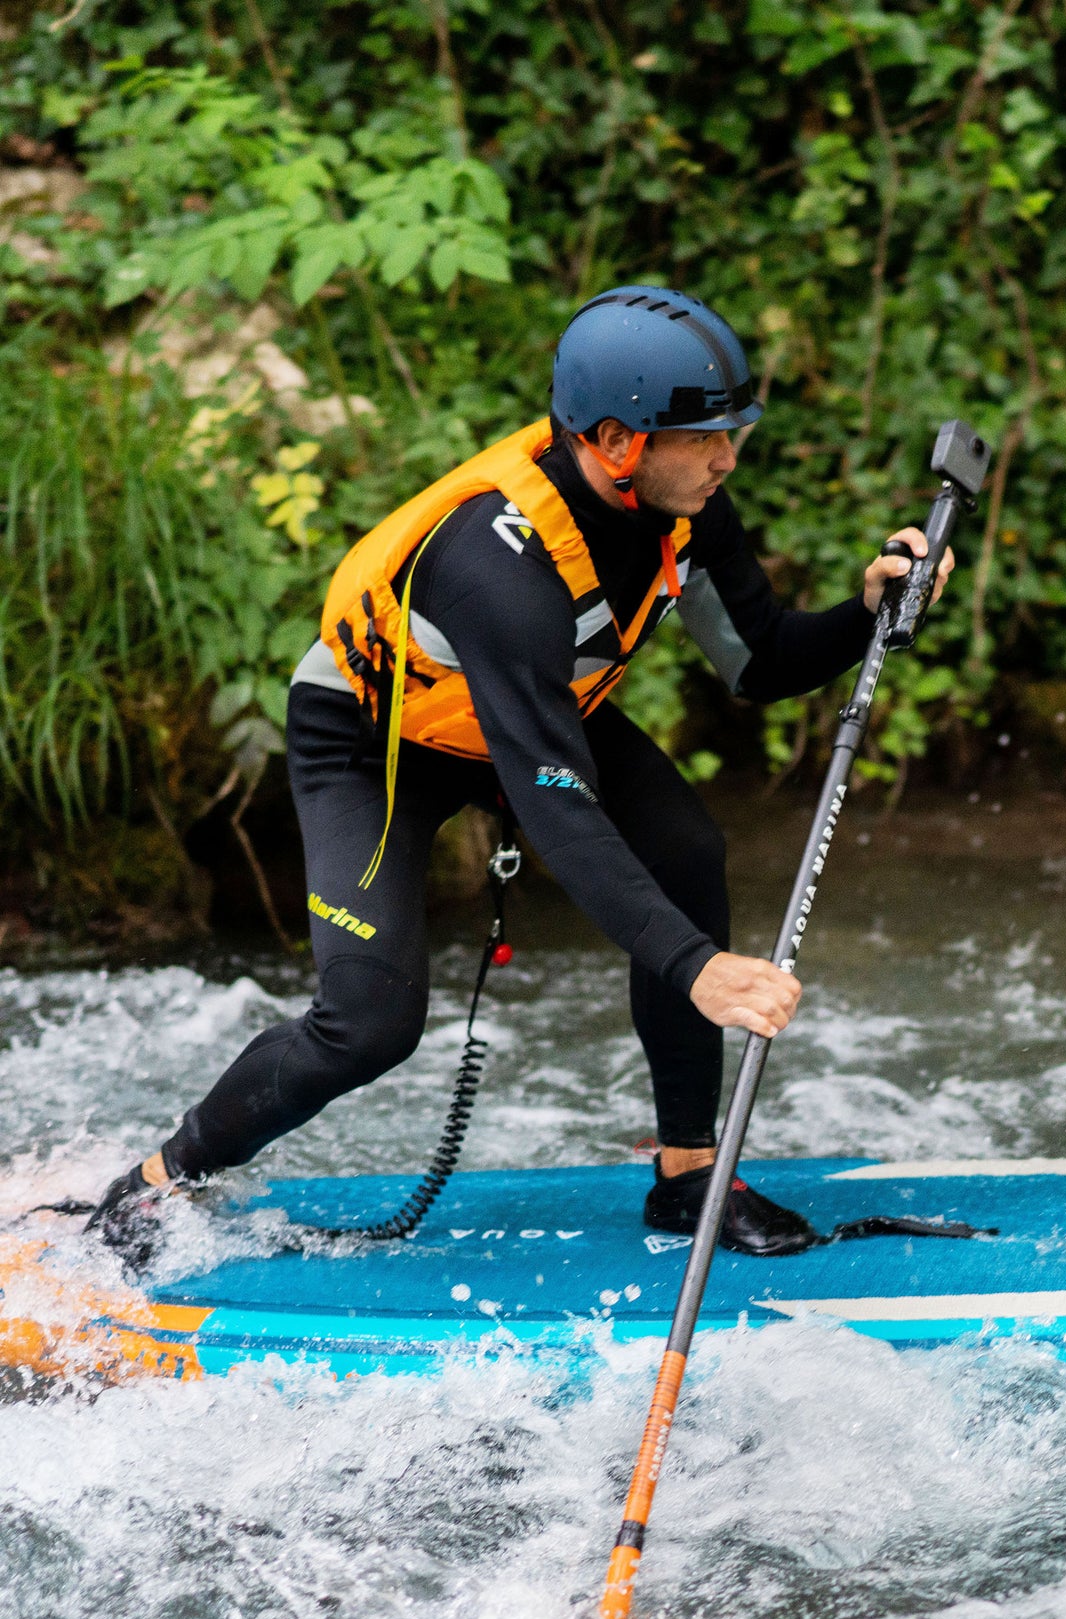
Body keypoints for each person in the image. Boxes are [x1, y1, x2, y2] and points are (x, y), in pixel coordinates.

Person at [90, 285, 951, 1266]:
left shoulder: (682, 504)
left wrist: (869, 607)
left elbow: (759, 664)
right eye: (708, 437)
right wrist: (697, 967)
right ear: (619, 441)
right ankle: (152, 1186)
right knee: (367, 1022)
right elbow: (558, 807)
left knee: (685, 851)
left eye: (733, 434)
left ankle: (685, 1177)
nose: (728, 458)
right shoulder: (498, 561)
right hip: (377, 736)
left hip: (529, 715)